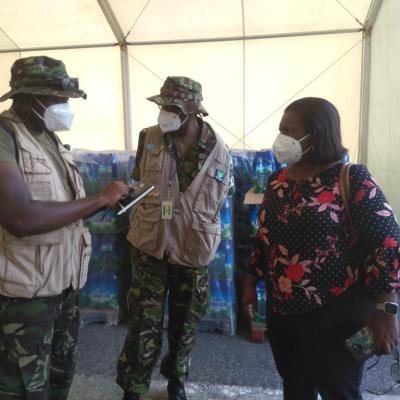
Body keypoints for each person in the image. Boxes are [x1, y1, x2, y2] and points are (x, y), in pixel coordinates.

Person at [242, 97, 400, 400]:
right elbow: (263, 237)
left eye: (291, 130)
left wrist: (387, 311)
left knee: (338, 390)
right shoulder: (278, 181)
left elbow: (387, 243)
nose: (282, 138)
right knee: (295, 387)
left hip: (335, 311)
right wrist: (250, 282)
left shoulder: (351, 179)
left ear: (316, 135)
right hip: (283, 309)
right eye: (281, 129)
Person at [0, 56, 131, 400]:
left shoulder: (49, 138)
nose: (66, 106)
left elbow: (60, 208)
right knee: (24, 390)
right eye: (60, 98)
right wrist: (99, 199)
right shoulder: (4, 136)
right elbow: (20, 219)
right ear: (32, 96)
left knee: (59, 379)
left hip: (63, 286)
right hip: (24, 296)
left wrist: (104, 202)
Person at [117, 76, 231, 400]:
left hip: (192, 251)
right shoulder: (149, 138)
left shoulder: (219, 151)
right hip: (149, 245)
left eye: (173, 107)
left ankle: (176, 380)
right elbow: (139, 180)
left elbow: (218, 202)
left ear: (194, 112)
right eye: (163, 105)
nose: (164, 112)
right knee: (143, 323)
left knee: (185, 325)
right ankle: (133, 387)